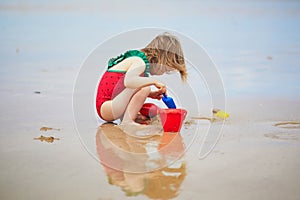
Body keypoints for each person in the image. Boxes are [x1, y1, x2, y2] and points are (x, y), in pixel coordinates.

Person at [95, 32, 187, 128]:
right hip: (108, 107)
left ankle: (130, 118)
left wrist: (151, 94)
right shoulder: (139, 62)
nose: (163, 73)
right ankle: (127, 122)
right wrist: (154, 81)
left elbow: (124, 87)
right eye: (165, 70)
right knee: (145, 87)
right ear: (161, 59)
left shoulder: (138, 62)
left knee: (144, 89)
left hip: (109, 107)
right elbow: (129, 82)